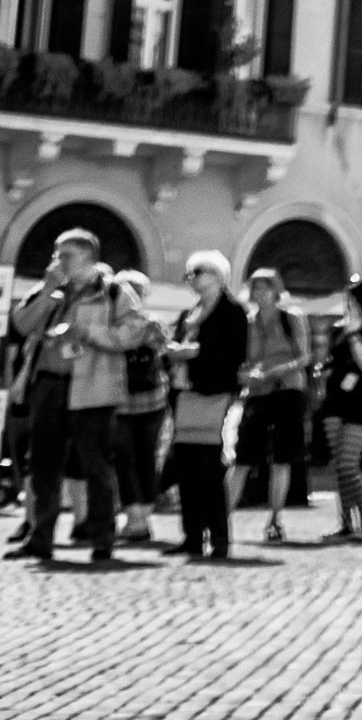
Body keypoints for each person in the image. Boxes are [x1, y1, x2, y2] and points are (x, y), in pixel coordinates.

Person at [5, 228, 148, 562]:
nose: (57, 261)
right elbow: (21, 325)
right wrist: (47, 295)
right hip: (48, 385)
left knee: (95, 466)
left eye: (65, 255)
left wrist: (86, 332)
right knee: (42, 465)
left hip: (93, 388)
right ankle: (40, 537)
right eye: (56, 253)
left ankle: (102, 539)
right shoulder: (50, 288)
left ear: (88, 258)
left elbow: (134, 332)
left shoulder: (114, 292)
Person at [163, 250, 248, 560]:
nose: (192, 279)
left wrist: (195, 354)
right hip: (185, 394)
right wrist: (171, 353)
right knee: (186, 468)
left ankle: (220, 538)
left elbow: (235, 354)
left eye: (197, 272)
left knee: (209, 470)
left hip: (215, 394)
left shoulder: (233, 312)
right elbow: (170, 348)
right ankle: (192, 537)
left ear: (217, 275)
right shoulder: (189, 313)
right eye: (190, 273)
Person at [228, 267, 311, 544]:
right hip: (257, 393)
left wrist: (273, 372)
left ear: (277, 291)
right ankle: (221, 520)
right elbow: (239, 360)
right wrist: (245, 375)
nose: (261, 293)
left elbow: (304, 356)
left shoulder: (291, 318)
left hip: (287, 391)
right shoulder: (247, 322)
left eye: (267, 288)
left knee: (282, 458)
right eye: (257, 288)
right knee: (242, 457)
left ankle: (275, 519)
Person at [108, 270, 169, 546]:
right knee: (141, 458)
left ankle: (138, 517)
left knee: (132, 459)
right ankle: (138, 516)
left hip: (138, 400)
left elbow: (162, 351)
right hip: (142, 399)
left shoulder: (141, 324)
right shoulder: (151, 323)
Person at [321, 278, 362, 543]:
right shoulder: (337, 329)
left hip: (361, 403)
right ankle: (348, 522)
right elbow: (333, 362)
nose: (348, 304)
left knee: (349, 464)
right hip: (335, 401)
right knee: (340, 466)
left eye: (352, 299)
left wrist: (353, 334)